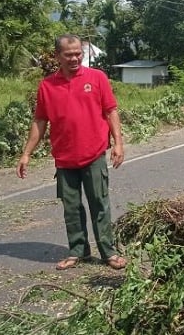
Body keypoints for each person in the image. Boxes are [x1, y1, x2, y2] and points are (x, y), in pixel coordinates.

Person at [17, 34, 127, 271]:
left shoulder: (97, 78)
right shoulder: (47, 86)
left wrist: (118, 143)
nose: (75, 58)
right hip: (65, 159)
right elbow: (39, 121)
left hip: (94, 154)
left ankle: (108, 251)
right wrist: (26, 153)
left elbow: (111, 111)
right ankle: (78, 251)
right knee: (71, 207)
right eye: (69, 55)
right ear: (58, 56)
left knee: (99, 204)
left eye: (78, 53)